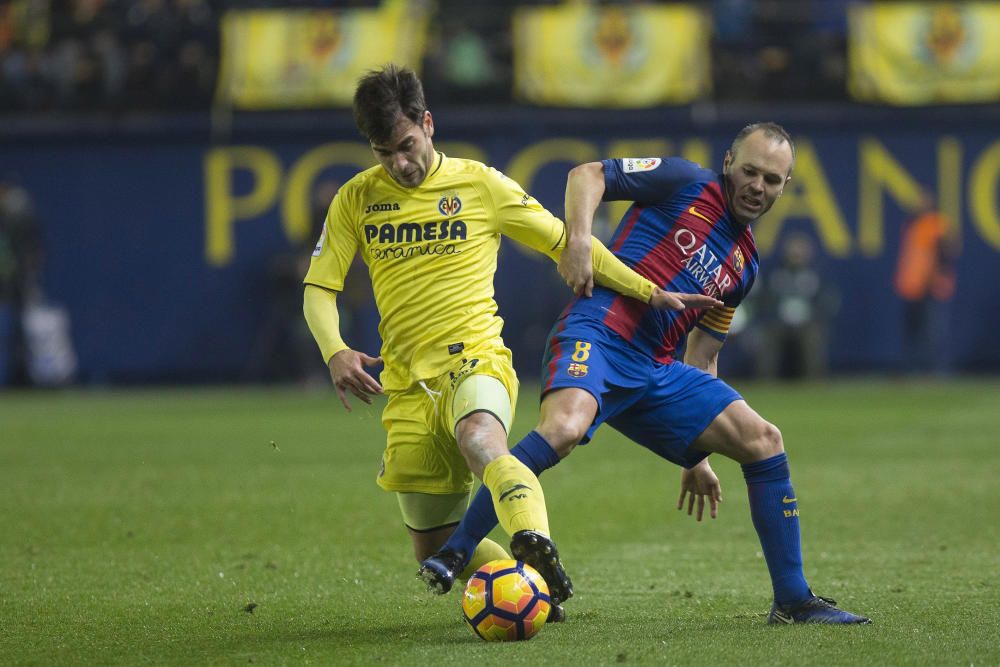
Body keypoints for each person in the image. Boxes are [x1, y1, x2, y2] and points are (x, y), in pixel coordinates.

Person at [302, 65, 718, 614]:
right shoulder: (356, 200)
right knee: (429, 542)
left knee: (482, 441)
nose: (400, 164)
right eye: (385, 153)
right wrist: (334, 349)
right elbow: (319, 287)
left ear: (428, 124)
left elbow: (568, 244)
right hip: (405, 384)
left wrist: (648, 290)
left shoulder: (480, 184)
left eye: (407, 145)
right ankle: (530, 589)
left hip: (475, 361)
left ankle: (535, 539)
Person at [420, 123, 871, 625]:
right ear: (728, 163)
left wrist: (694, 452)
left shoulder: (744, 266)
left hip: (654, 369)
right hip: (598, 331)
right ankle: (456, 552)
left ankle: (792, 602)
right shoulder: (684, 181)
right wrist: (580, 241)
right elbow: (586, 174)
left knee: (764, 439)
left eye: (771, 179)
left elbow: (703, 358)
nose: (757, 186)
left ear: (785, 187)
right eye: (749, 171)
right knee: (563, 429)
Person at [894, 193, 957, 375]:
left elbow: (945, 255)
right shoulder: (913, 225)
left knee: (932, 331)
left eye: (922, 201)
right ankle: (911, 368)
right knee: (912, 332)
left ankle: (934, 368)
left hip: (929, 286)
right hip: (911, 286)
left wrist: (937, 279)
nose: (918, 204)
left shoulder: (937, 224)